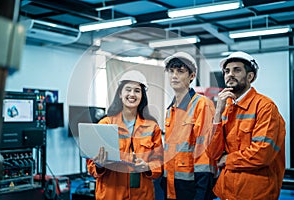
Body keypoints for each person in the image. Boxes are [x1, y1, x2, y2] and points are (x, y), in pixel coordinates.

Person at [207, 51, 286, 199]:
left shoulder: (265, 107)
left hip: (255, 192)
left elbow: (262, 154)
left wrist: (227, 159)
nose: (230, 74)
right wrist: (218, 112)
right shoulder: (225, 108)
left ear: (250, 77)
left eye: (237, 70)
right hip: (227, 191)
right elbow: (213, 153)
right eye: (227, 71)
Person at [86, 70, 163, 200]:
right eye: (128, 89)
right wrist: (99, 164)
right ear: (120, 94)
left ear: (142, 96)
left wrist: (147, 167)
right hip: (111, 195)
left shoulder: (152, 127)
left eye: (137, 90)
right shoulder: (105, 124)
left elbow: (159, 162)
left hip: (142, 195)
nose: (132, 94)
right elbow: (91, 166)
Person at [161, 52, 217, 200]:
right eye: (171, 71)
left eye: (180, 71)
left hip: (192, 187)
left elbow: (205, 152)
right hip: (171, 186)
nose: (174, 76)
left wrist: (201, 193)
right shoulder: (170, 110)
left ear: (192, 76)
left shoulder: (202, 105)